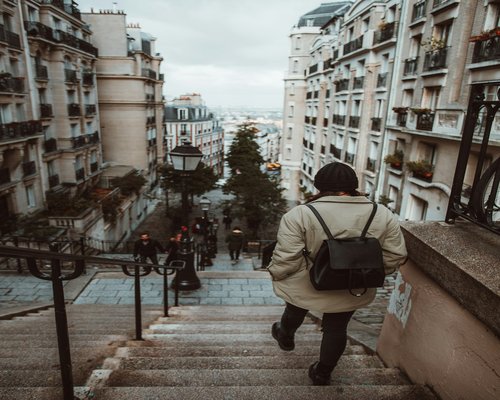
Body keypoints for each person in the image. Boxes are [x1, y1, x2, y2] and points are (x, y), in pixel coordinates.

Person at [267, 162, 407, 386]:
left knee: (295, 306)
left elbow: (287, 258)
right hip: (353, 284)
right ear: (353, 186)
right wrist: (364, 273)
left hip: (310, 280)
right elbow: (395, 255)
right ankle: (322, 372)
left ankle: (285, 334)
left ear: (319, 187)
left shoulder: (299, 214)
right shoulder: (381, 213)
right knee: (337, 328)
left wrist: (276, 273)